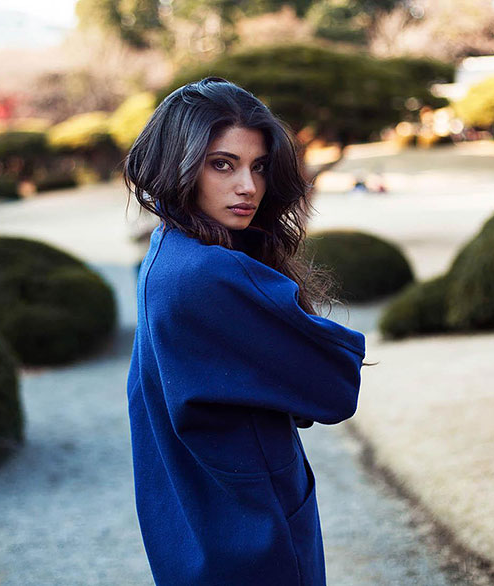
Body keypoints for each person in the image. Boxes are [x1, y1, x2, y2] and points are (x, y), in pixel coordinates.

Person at [124, 77, 366, 586]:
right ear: (178, 164)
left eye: (258, 166)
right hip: (251, 531)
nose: (248, 187)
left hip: (200, 526)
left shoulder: (168, 252)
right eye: (222, 164)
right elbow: (335, 387)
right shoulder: (208, 273)